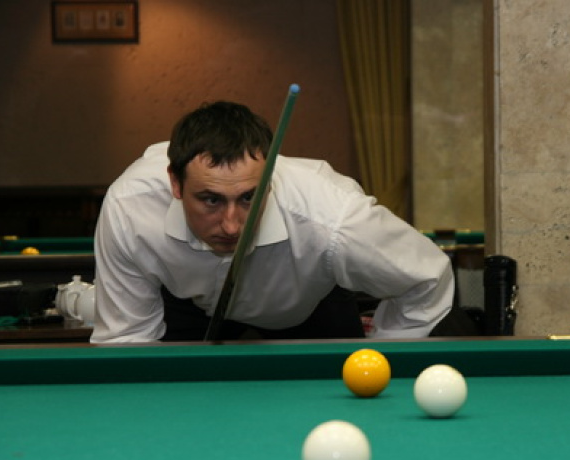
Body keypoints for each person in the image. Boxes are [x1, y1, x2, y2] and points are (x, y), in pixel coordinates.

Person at [91, 100, 467, 343]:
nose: (232, 226)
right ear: (175, 183)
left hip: (310, 304)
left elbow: (426, 278)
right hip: (189, 304)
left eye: (248, 198)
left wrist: (382, 355)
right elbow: (127, 339)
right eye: (211, 200)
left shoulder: (332, 219)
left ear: (270, 182)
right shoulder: (131, 208)